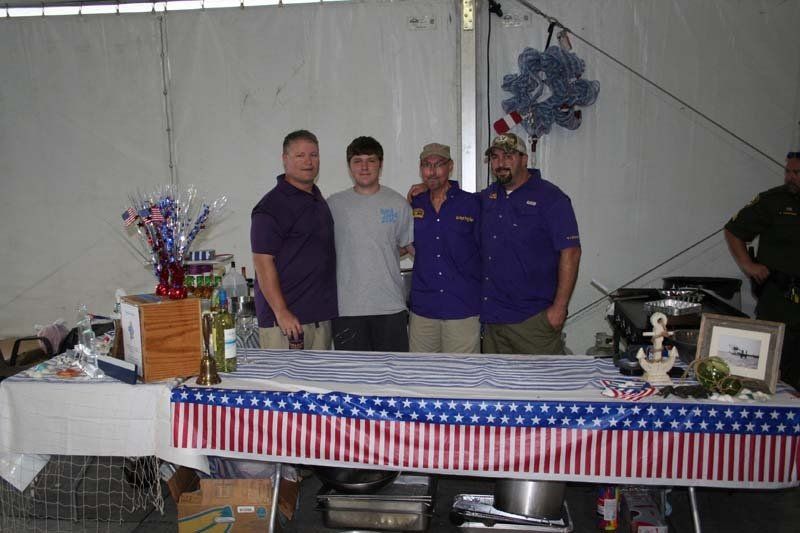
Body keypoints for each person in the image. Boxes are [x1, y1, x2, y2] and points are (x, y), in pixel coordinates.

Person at [481, 133, 581, 355]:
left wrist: (559, 309)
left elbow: (571, 252)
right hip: (493, 321)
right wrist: (425, 189)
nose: (501, 163)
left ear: (524, 159)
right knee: (496, 388)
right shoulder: (487, 198)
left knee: (542, 388)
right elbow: (457, 205)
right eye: (495, 157)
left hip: (533, 321)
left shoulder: (551, 198)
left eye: (508, 156)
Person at [250, 130, 337, 349]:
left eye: (314, 155)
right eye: (300, 155)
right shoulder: (270, 207)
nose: (308, 161)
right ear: (285, 160)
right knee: (286, 384)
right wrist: (281, 312)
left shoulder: (318, 199)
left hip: (319, 319)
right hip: (286, 325)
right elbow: (262, 263)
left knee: (320, 383)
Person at [327, 136, 414, 352]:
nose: (364, 167)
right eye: (357, 160)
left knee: (393, 380)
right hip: (347, 310)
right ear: (349, 166)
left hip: (390, 308)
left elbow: (409, 245)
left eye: (371, 160)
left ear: (380, 164)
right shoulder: (333, 205)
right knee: (352, 380)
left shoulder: (398, 204)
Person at [724, 151, 800, 390]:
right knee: (776, 369)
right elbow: (734, 230)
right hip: (781, 299)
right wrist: (748, 265)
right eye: (788, 171)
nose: (790, 177)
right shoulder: (774, 201)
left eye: (796, 173)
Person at [408, 143, 481, 353]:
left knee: (462, 379)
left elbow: (487, 252)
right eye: (426, 165)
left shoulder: (471, 204)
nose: (432, 171)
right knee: (421, 378)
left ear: (450, 167)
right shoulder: (415, 204)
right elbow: (406, 244)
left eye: (438, 165)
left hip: (462, 308)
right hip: (424, 310)